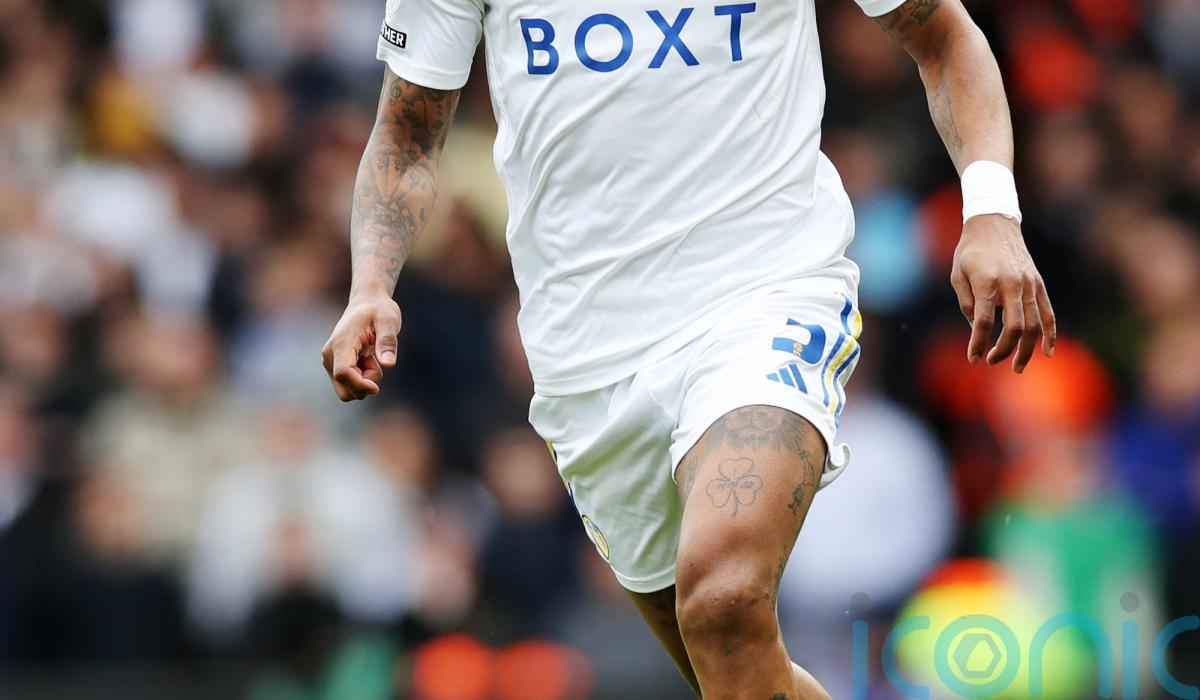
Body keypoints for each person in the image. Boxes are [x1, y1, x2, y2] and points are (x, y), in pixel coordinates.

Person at [321, 0, 1056, 696]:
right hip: (587, 355)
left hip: (766, 291)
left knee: (724, 599)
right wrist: (370, 286)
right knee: (732, 660)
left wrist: (991, 211)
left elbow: (945, 36)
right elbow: (407, 136)